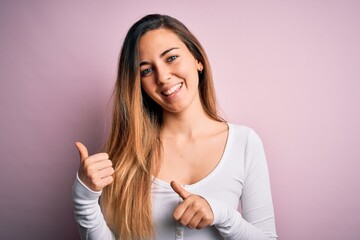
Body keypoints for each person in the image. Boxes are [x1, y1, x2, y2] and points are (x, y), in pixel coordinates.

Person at [72, 14, 278, 240]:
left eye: (171, 58)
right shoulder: (126, 156)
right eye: (146, 71)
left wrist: (221, 214)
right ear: (138, 85)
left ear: (198, 60)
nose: (162, 77)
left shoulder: (244, 143)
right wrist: (85, 200)